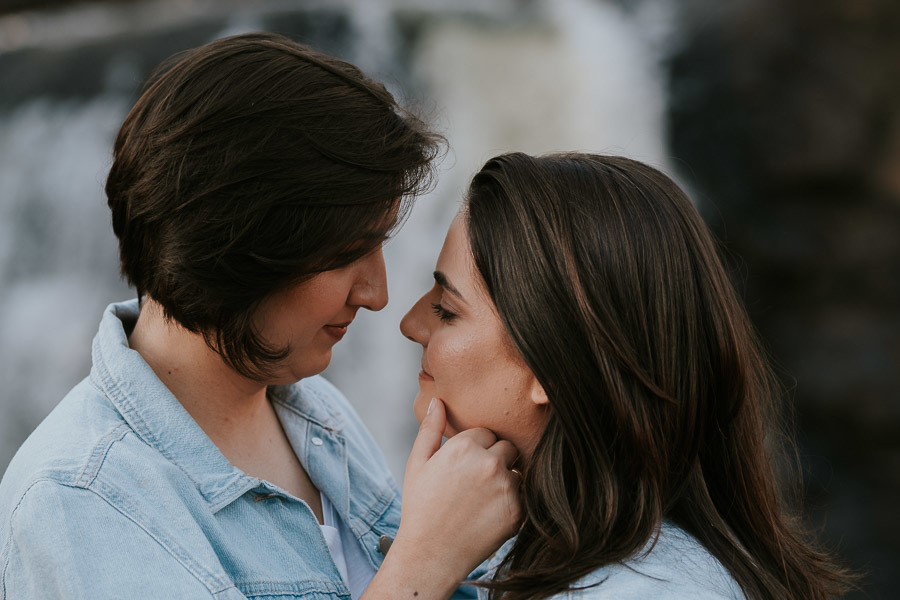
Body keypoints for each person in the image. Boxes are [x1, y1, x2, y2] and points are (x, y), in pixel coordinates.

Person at [0, 33, 522, 599]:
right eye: (349, 252)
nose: (377, 294)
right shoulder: (81, 499)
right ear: (239, 247)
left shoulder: (318, 415)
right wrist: (425, 563)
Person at [400, 152, 854, 600]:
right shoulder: (530, 553)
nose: (410, 324)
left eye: (447, 310)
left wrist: (415, 572)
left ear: (550, 364)